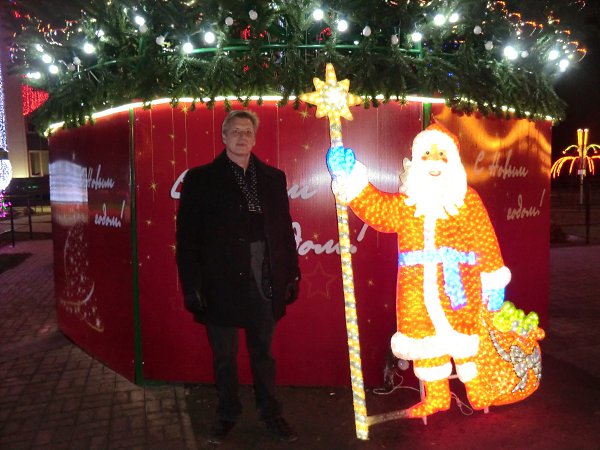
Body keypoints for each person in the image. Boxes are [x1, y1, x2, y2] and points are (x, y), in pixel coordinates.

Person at [327, 122, 512, 418]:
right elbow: (379, 210)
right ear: (416, 160)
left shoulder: (467, 201)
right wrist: (350, 178)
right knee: (425, 342)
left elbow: (486, 241)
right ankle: (437, 397)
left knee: (465, 339)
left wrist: (493, 282)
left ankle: (477, 389)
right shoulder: (408, 203)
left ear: (452, 161)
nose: (434, 161)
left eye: (441, 154)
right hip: (416, 289)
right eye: (426, 154)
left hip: (460, 286)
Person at [176, 109, 300, 443]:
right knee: (224, 355)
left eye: (247, 131)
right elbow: (187, 238)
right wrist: (192, 286)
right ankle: (227, 413)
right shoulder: (200, 179)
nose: (241, 136)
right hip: (219, 280)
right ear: (223, 136)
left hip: (264, 277)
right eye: (235, 131)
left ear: (255, 138)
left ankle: (271, 413)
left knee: (263, 353)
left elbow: (284, 231)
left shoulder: (273, 178)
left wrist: (292, 274)